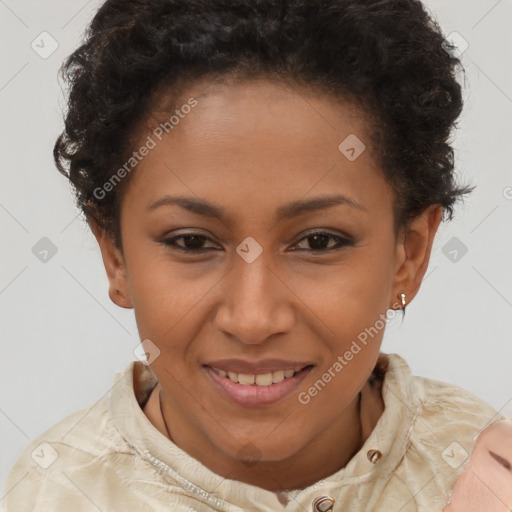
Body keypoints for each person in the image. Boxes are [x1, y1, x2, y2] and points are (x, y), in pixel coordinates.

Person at [3, 0, 511, 510]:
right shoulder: (53, 494)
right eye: (191, 241)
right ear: (115, 255)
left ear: (410, 253)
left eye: (319, 241)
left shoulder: (480, 467)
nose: (253, 320)